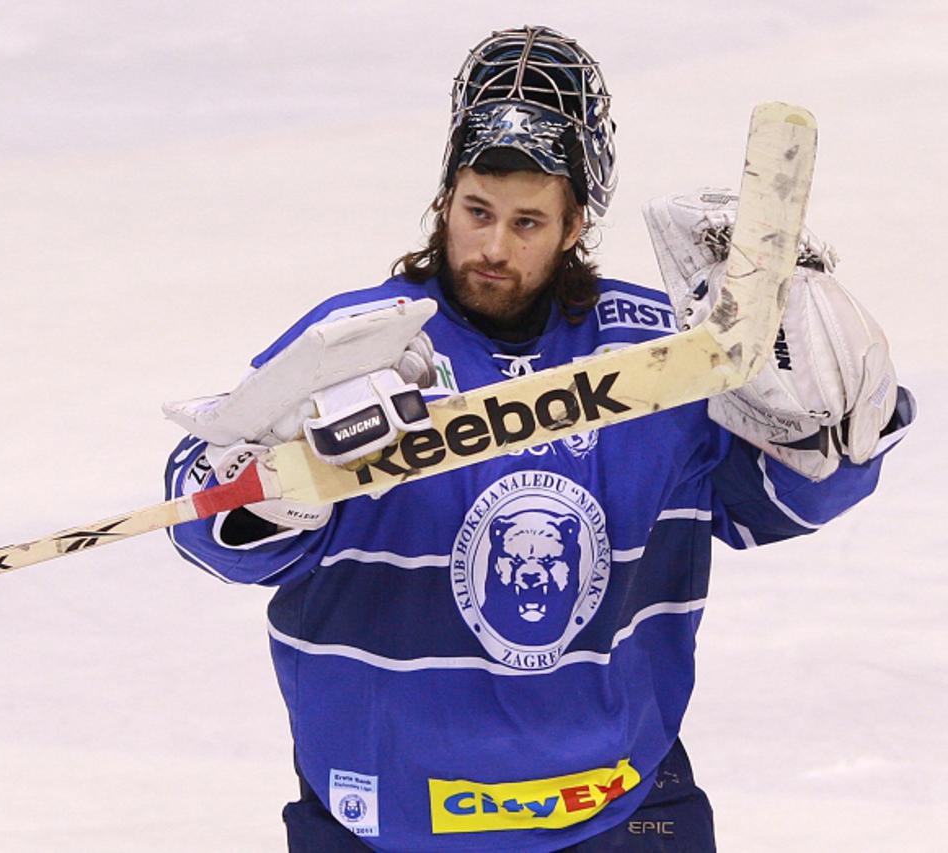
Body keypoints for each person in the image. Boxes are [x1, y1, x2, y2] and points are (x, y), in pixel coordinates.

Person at [164, 26, 914, 852]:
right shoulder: (353, 348)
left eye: (526, 222)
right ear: (444, 199)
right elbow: (210, 527)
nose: (492, 247)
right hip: (381, 817)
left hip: (617, 811)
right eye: (476, 211)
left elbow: (775, 505)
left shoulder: (663, 357)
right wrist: (262, 490)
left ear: (574, 225)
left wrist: (830, 433)